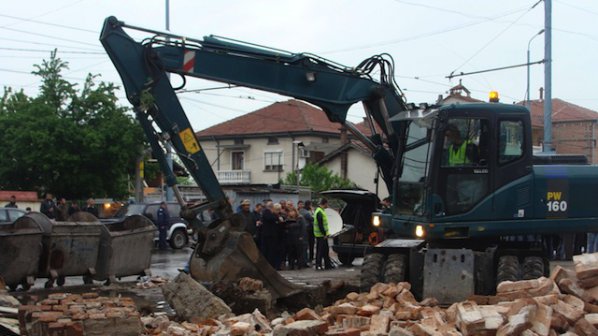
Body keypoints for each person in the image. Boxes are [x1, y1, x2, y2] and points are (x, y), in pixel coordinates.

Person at [314, 198, 333, 270]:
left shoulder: (321, 211)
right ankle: (318, 265)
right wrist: (324, 234)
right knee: (320, 251)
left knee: (325, 250)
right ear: (324, 203)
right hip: (321, 235)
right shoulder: (319, 212)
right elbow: (320, 224)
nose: (327, 205)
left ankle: (327, 264)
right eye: (327, 204)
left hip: (322, 235)